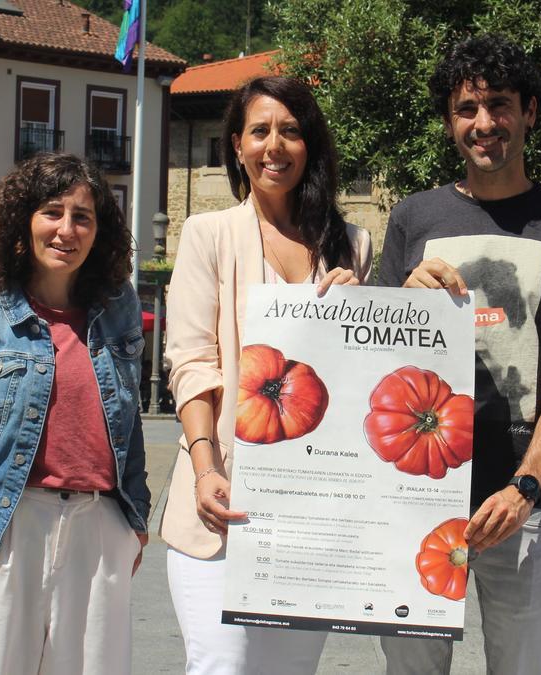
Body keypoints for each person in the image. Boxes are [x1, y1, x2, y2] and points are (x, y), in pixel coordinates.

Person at [376, 34, 541, 674]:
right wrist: (400, 295)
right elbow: (374, 361)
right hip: (416, 496)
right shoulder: (412, 219)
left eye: (500, 106)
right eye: (466, 110)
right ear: (450, 121)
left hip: (525, 506)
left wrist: (525, 487)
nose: (484, 124)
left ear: (530, 111)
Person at [159, 76, 372, 674]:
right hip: (220, 499)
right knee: (219, 667)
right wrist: (205, 468)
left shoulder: (352, 246)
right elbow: (192, 363)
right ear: (236, 146)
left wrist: (361, 311)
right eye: (260, 131)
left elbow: (357, 382)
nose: (274, 146)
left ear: (311, 146)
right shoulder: (208, 234)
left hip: (310, 512)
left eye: (291, 131)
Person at [0, 153, 150, 673]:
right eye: (52, 212)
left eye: (83, 216)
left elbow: (130, 421)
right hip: (4, 526)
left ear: (99, 232)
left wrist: (133, 518)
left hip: (99, 525)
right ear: (23, 222)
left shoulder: (119, 307)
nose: (66, 229)